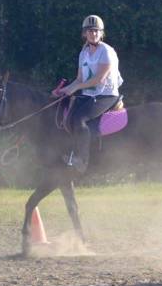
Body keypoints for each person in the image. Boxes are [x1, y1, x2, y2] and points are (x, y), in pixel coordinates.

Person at [52, 15, 123, 173]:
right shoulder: (83, 53)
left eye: (97, 31)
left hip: (107, 95)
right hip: (90, 95)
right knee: (68, 115)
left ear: (101, 33)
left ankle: (82, 160)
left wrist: (75, 89)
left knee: (80, 117)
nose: (93, 34)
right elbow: (79, 79)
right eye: (90, 31)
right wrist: (63, 90)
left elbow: (99, 79)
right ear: (85, 34)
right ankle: (71, 152)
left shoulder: (106, 51)